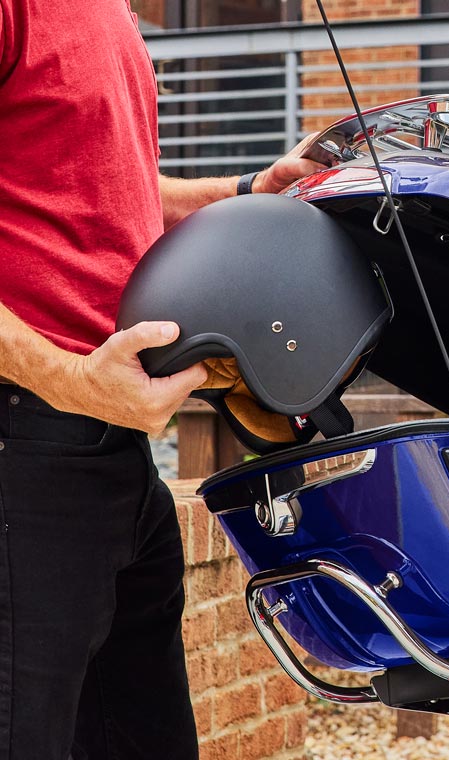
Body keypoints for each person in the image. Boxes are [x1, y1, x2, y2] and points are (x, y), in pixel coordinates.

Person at [0, 2, 326, 758]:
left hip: (111, 452)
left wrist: (246, 191)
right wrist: (68, 378)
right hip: (23, 442)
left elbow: (98, 186)